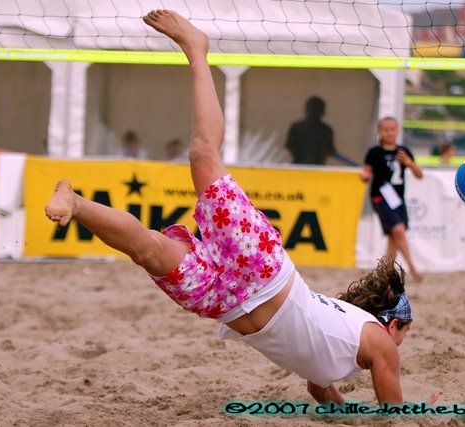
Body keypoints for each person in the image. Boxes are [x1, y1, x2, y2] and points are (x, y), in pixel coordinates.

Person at [44, 10, 413, 405]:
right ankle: (197, 50)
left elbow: (317, 384)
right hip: (261, 270)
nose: (402, 347)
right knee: (203, 157)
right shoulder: (380, 342)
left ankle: (77, 203)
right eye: (406, 335)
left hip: (224, 300)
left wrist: (340, 411)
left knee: (147, 251)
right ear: (394, 324)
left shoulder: (342, 346)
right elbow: (394, 413)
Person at [360, 117, 424, 283]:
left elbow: (419, 174)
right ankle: (412, 266)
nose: (389, 133)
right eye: (385, 130)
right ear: (379, 132)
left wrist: (409, 163)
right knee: (398, 230)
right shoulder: (374, 153)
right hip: (380, 196)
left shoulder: (403, 152)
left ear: (397, 131)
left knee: (393, 237)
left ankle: (384, 271)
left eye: (392, 129)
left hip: (397, 198)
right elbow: (366, 173)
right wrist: (365, 175)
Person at [285, 96, 335, 165]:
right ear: (322, 112)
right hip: (315, 169)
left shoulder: (296, 127)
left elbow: (289, 146)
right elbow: (330, 150)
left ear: (306, 110)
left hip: (300, 168)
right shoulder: (326, 130)